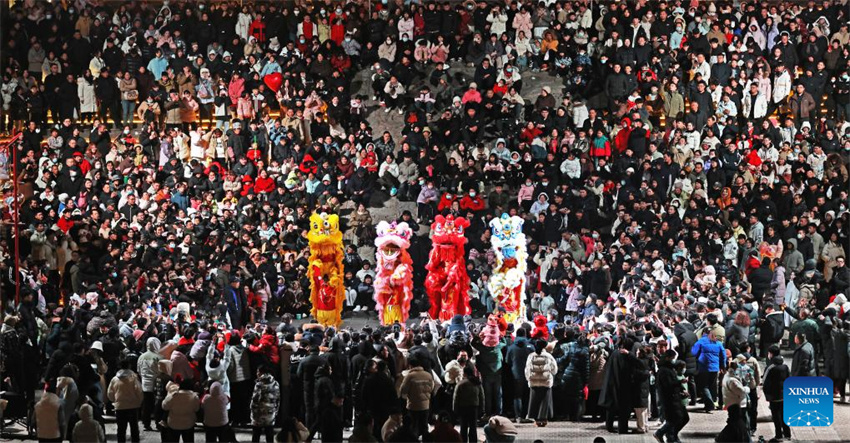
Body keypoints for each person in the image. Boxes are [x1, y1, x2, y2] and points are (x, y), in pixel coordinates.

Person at [398, 357, 436, 439]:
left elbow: (402, 390)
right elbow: (432, 387)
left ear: (410, 366)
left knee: (414, 426)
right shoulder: (428, 375)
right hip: (425, 405)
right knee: (424, 425)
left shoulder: (410, 376)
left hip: (413, 405)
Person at [107, 359, 144, 443]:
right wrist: (139, 401)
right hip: (133, 406)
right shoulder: (134, 377)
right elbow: (139, 391)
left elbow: (110, 393)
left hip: (120, 406)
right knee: (134, 428)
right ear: (129, 366)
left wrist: (115, 401)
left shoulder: (115, 379)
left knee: (121, 429)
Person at [691, 331, 727, 412]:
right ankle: (710, 403)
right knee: (711, 386)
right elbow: (723, 355)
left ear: (704, 333)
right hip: (715, 367)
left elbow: (693, 352)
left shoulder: (701, 341)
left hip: (703, 367)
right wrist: (723, 366)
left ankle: (709, 405)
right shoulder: (718, 343)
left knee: (704, 386)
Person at [763, 344, 792, 442]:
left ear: (771, 354)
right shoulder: (785, 366)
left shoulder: (770, 367)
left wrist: (767, 395)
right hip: (784, 396)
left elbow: (765, 382)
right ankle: (788, 434)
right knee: (784, 415)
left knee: (776, 416)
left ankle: (778, 435)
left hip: (774, 396)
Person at [162, 377, 200, 443]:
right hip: (189, 424)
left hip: (173, 424)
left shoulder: (173, 396)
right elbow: (197, 409)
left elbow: (164, 406)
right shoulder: (194, 397)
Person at [453, 365, 484, 443]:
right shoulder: (477, 383)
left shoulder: (460, 384)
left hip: (463, 408)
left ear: (464, 373)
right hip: (474, 407)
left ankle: (463, 441)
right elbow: (482, 397)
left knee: (463, 427)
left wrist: (455, 409)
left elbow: (456, 398)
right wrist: (482, 408)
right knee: (473, 427)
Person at [250, 365, 280, 443]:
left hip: (259, 414)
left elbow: (255, 399)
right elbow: (277, 399)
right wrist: (275, 411)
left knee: (256, 435)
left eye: (258, 371)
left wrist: (252, 411)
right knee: (269, 435)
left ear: (261, 372)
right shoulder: (275, 383)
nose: (256, 373)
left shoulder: (259, 384)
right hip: (270, 413)